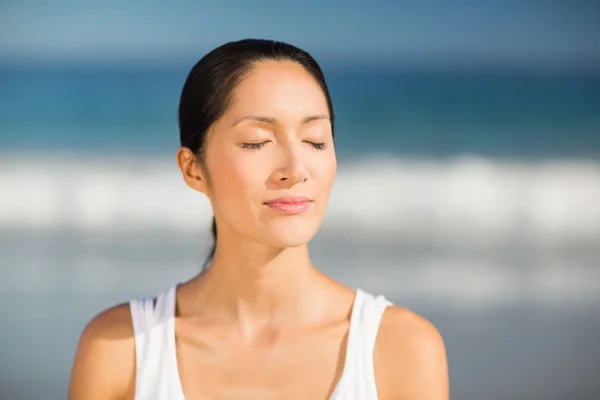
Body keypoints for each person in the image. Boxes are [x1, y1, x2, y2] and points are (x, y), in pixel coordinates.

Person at [68, 38, 449, 400]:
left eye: (315, 140)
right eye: (256, 142)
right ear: (193, 169)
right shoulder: (120, 347)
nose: (295, 169)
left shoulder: (401, 348)